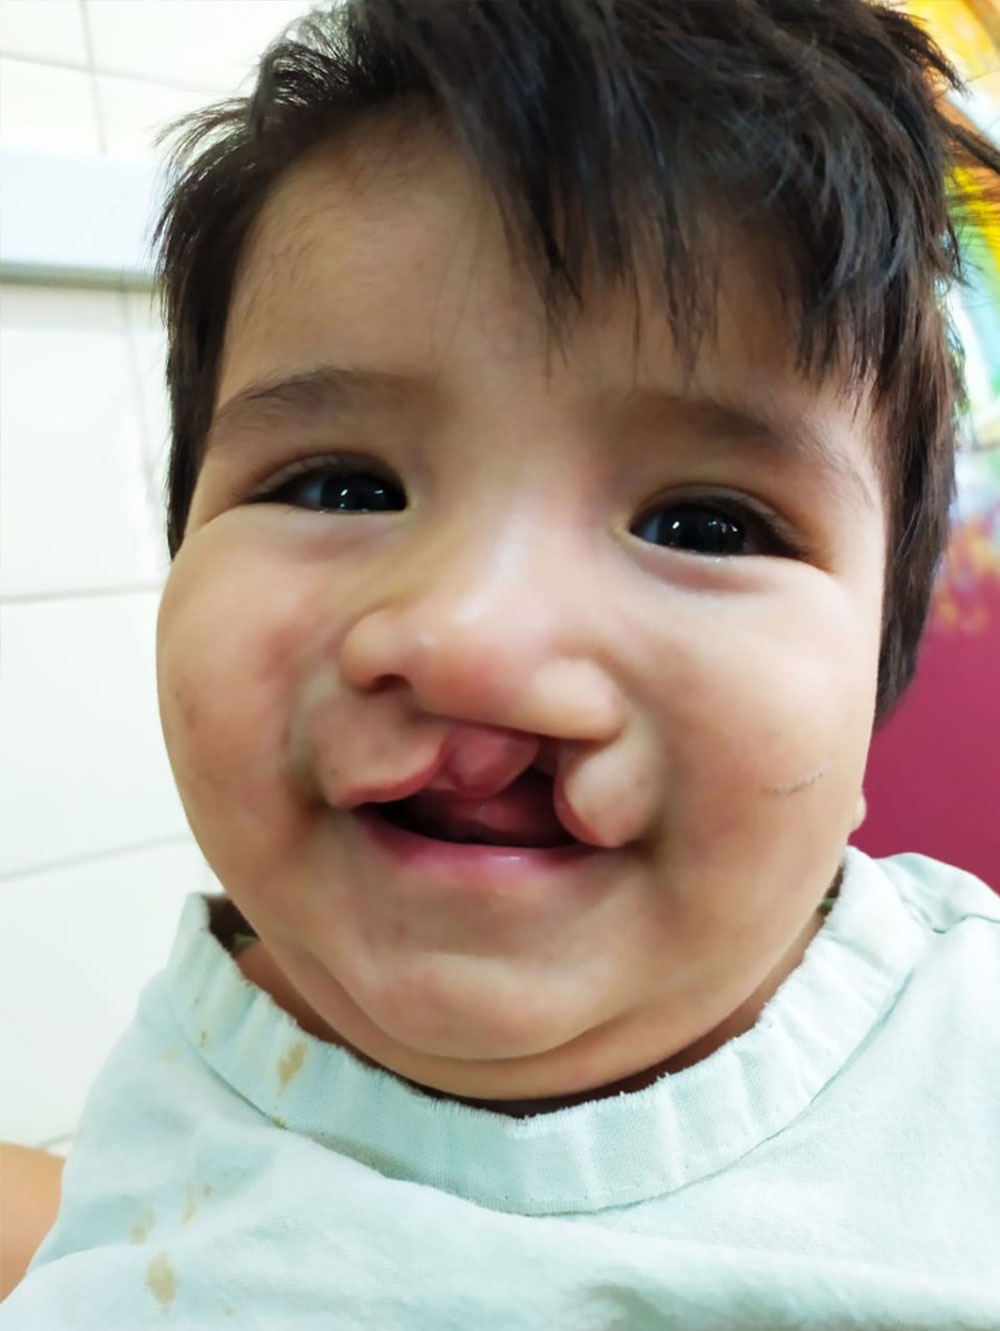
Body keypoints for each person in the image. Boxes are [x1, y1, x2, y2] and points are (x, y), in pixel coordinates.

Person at [3, 0, 999, 1325]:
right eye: (342, 486)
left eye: (701, 525)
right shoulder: (187, 1089)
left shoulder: (965, 1076)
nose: (472, 641)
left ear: (877, 676)